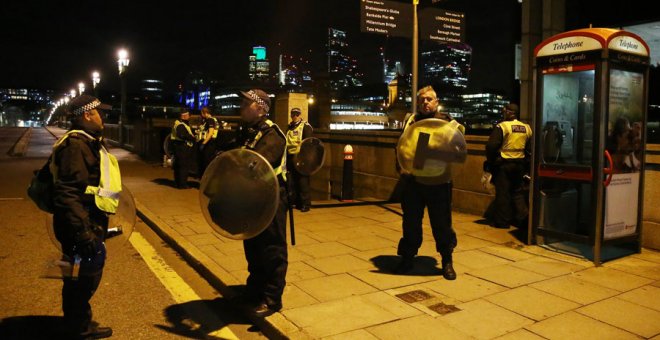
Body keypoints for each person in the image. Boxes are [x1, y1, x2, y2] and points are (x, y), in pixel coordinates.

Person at [52, 94, 120, 339]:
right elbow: (68, 192)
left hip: (83, 223)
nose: (103, 117)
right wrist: (83, 232)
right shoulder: (78, 145)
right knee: (83, 279)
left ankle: (77, 322)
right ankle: (78, 327)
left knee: (77, 278)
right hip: (80, 227)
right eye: (99, 112)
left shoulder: (87, 142)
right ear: (87, 115)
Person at [395, 85, 463, 280]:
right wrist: (401, 169)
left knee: (442, 224)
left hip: (439, 181)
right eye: (422, 99)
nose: (425, 102)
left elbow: (458, 147)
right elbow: (400, 146)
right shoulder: (411, 121)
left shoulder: (447, 122)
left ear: (437, 102)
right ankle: (407, 257)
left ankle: (447, 260)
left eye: (429, 99)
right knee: (410, 222)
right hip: (413, 181)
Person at [236, 89, 288, 317]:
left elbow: (256, 164)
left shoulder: (272, 135)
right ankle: (255, 291)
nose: (241, 107)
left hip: (272, 197)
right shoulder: (250, 132)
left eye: (246, 103)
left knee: (272, 248)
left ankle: (272, 299)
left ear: (260, 108)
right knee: (253, 247)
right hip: (254, 198)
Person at [485, 103, 532, 229]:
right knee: (518, 192)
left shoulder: (502, 126)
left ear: (510, 113)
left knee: (503, 193)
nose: (503, 112)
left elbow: (491, 146)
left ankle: (502, 222)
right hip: (520, 165)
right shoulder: (526, 127)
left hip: (504, 165)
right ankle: (524, 219)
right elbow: (529, 148)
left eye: (504, 110)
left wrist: (491, 161)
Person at [285, 107, 313, 212]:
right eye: (293, 114)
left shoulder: (305, 126)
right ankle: (294, 202)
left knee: (303, 181)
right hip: (290, 157)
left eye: (296, 114)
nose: (295, 116)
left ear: (300, 115)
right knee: (291, 181)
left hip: (301, 157)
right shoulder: (289, 126)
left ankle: (305, 204)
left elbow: (309, 143)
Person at [170, 111, 196, 189]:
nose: (189, 116)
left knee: (178, 165)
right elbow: (182, 135)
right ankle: (182, 184)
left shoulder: (178, 123)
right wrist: (192, 138)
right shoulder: (181, 125)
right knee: (183, 166)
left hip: (178, 147)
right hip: (182, 147)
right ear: (183, 116)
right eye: (188, 115)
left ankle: (178, 183)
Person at [197, 106, 219, 176]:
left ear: (205, 113)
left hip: (209, 144)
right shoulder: (212, 120)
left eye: (202, 113)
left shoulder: (210, 120)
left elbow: (210, 132)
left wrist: (203, 143)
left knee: (206, 162)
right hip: (210, 143)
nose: (201, 115)